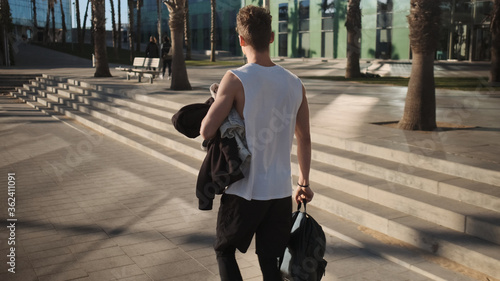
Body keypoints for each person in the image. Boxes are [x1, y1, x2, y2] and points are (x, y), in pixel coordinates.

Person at [200, 5, 313, 281]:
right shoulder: (295, 83)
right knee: (270, 262)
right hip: (279, 193)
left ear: (241, 40)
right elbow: (304, 138)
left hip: (244, 191)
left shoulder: (236, 79)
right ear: (271, 37)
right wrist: (304, 184)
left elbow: (206, 130)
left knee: (224, 250)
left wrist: (220, 101)